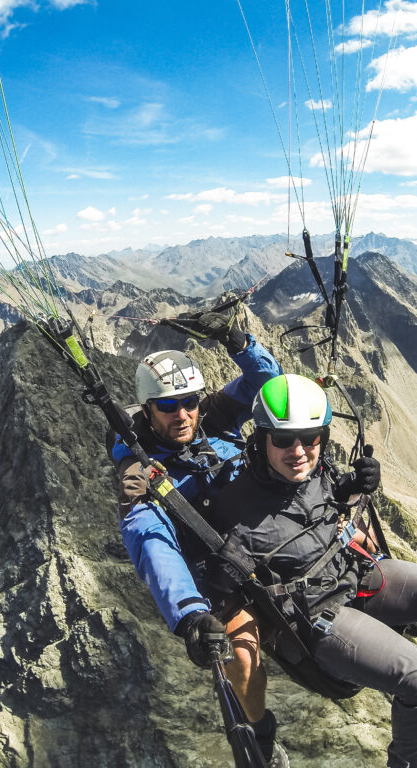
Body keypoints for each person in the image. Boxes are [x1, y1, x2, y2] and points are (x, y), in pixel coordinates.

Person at [197, 373, 417, 768]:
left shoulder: (314, 472)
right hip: (317, 618)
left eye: (311, 437)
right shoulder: (235, 511)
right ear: (261, 437)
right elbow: (216, 586)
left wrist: (354, 485)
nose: (299, 450)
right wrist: (211, 602)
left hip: (356, 576)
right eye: (284, 440)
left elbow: (327, 498)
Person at [108, 311, 289, 766]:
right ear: (148, 409)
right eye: (168, 406)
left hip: (272, 534)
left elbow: (270, 384)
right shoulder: (139, 471)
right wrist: (189, 614)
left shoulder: (215, 415)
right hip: (224, 570)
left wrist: (237, 340)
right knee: (242, 663)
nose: (183, 414)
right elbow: (149, 537)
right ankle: (262, 738)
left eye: (189, 401)